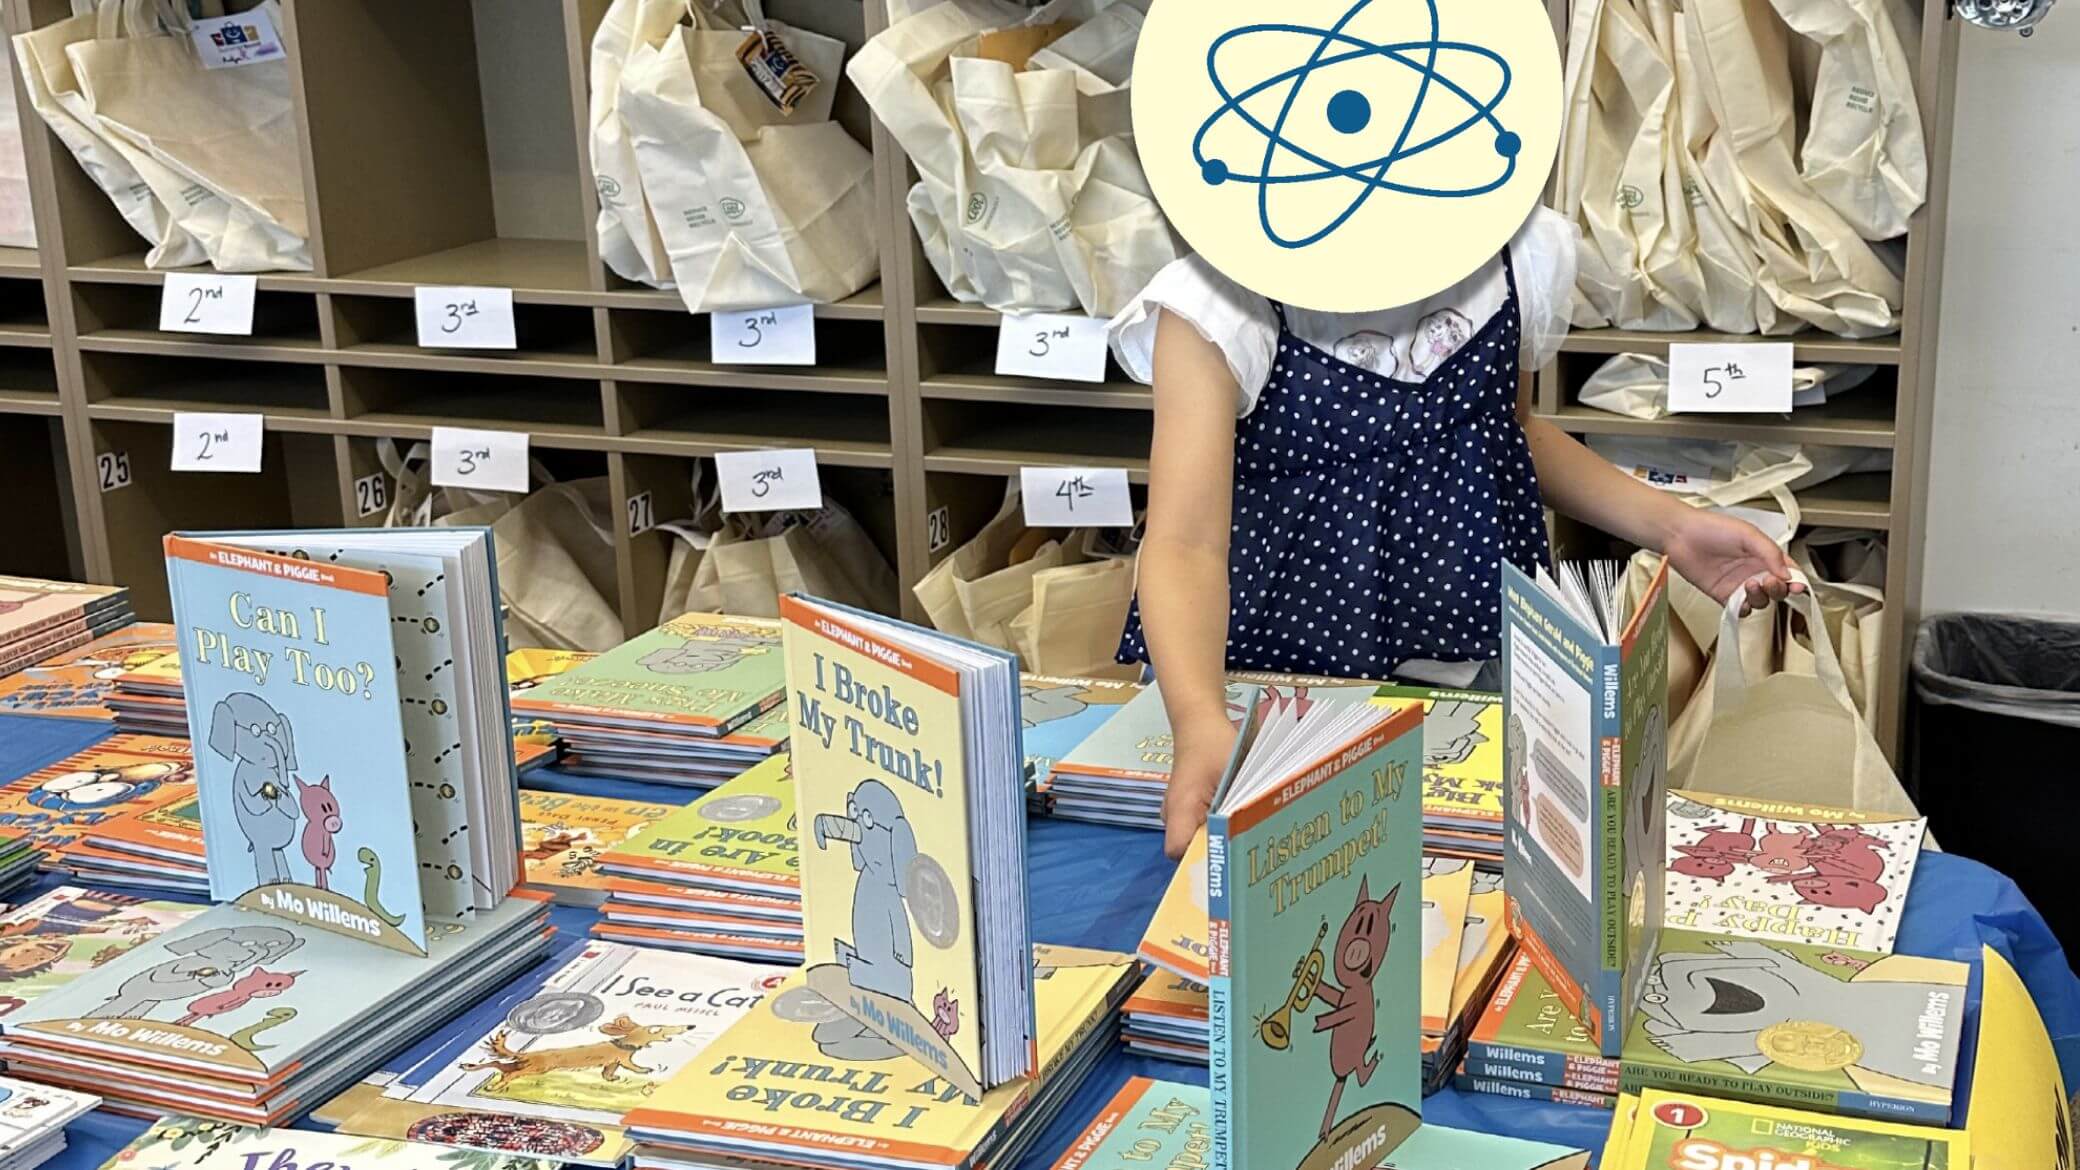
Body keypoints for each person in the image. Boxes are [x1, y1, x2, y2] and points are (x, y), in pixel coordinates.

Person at [1108, 210, 1801, 857]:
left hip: (1472, 660)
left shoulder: (1511, 252)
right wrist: (1198, 716)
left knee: (1463, 883)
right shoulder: (1220, 298)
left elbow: (1510, 431)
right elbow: (1183, 542)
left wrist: (1671, 528)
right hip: (1274, 687)